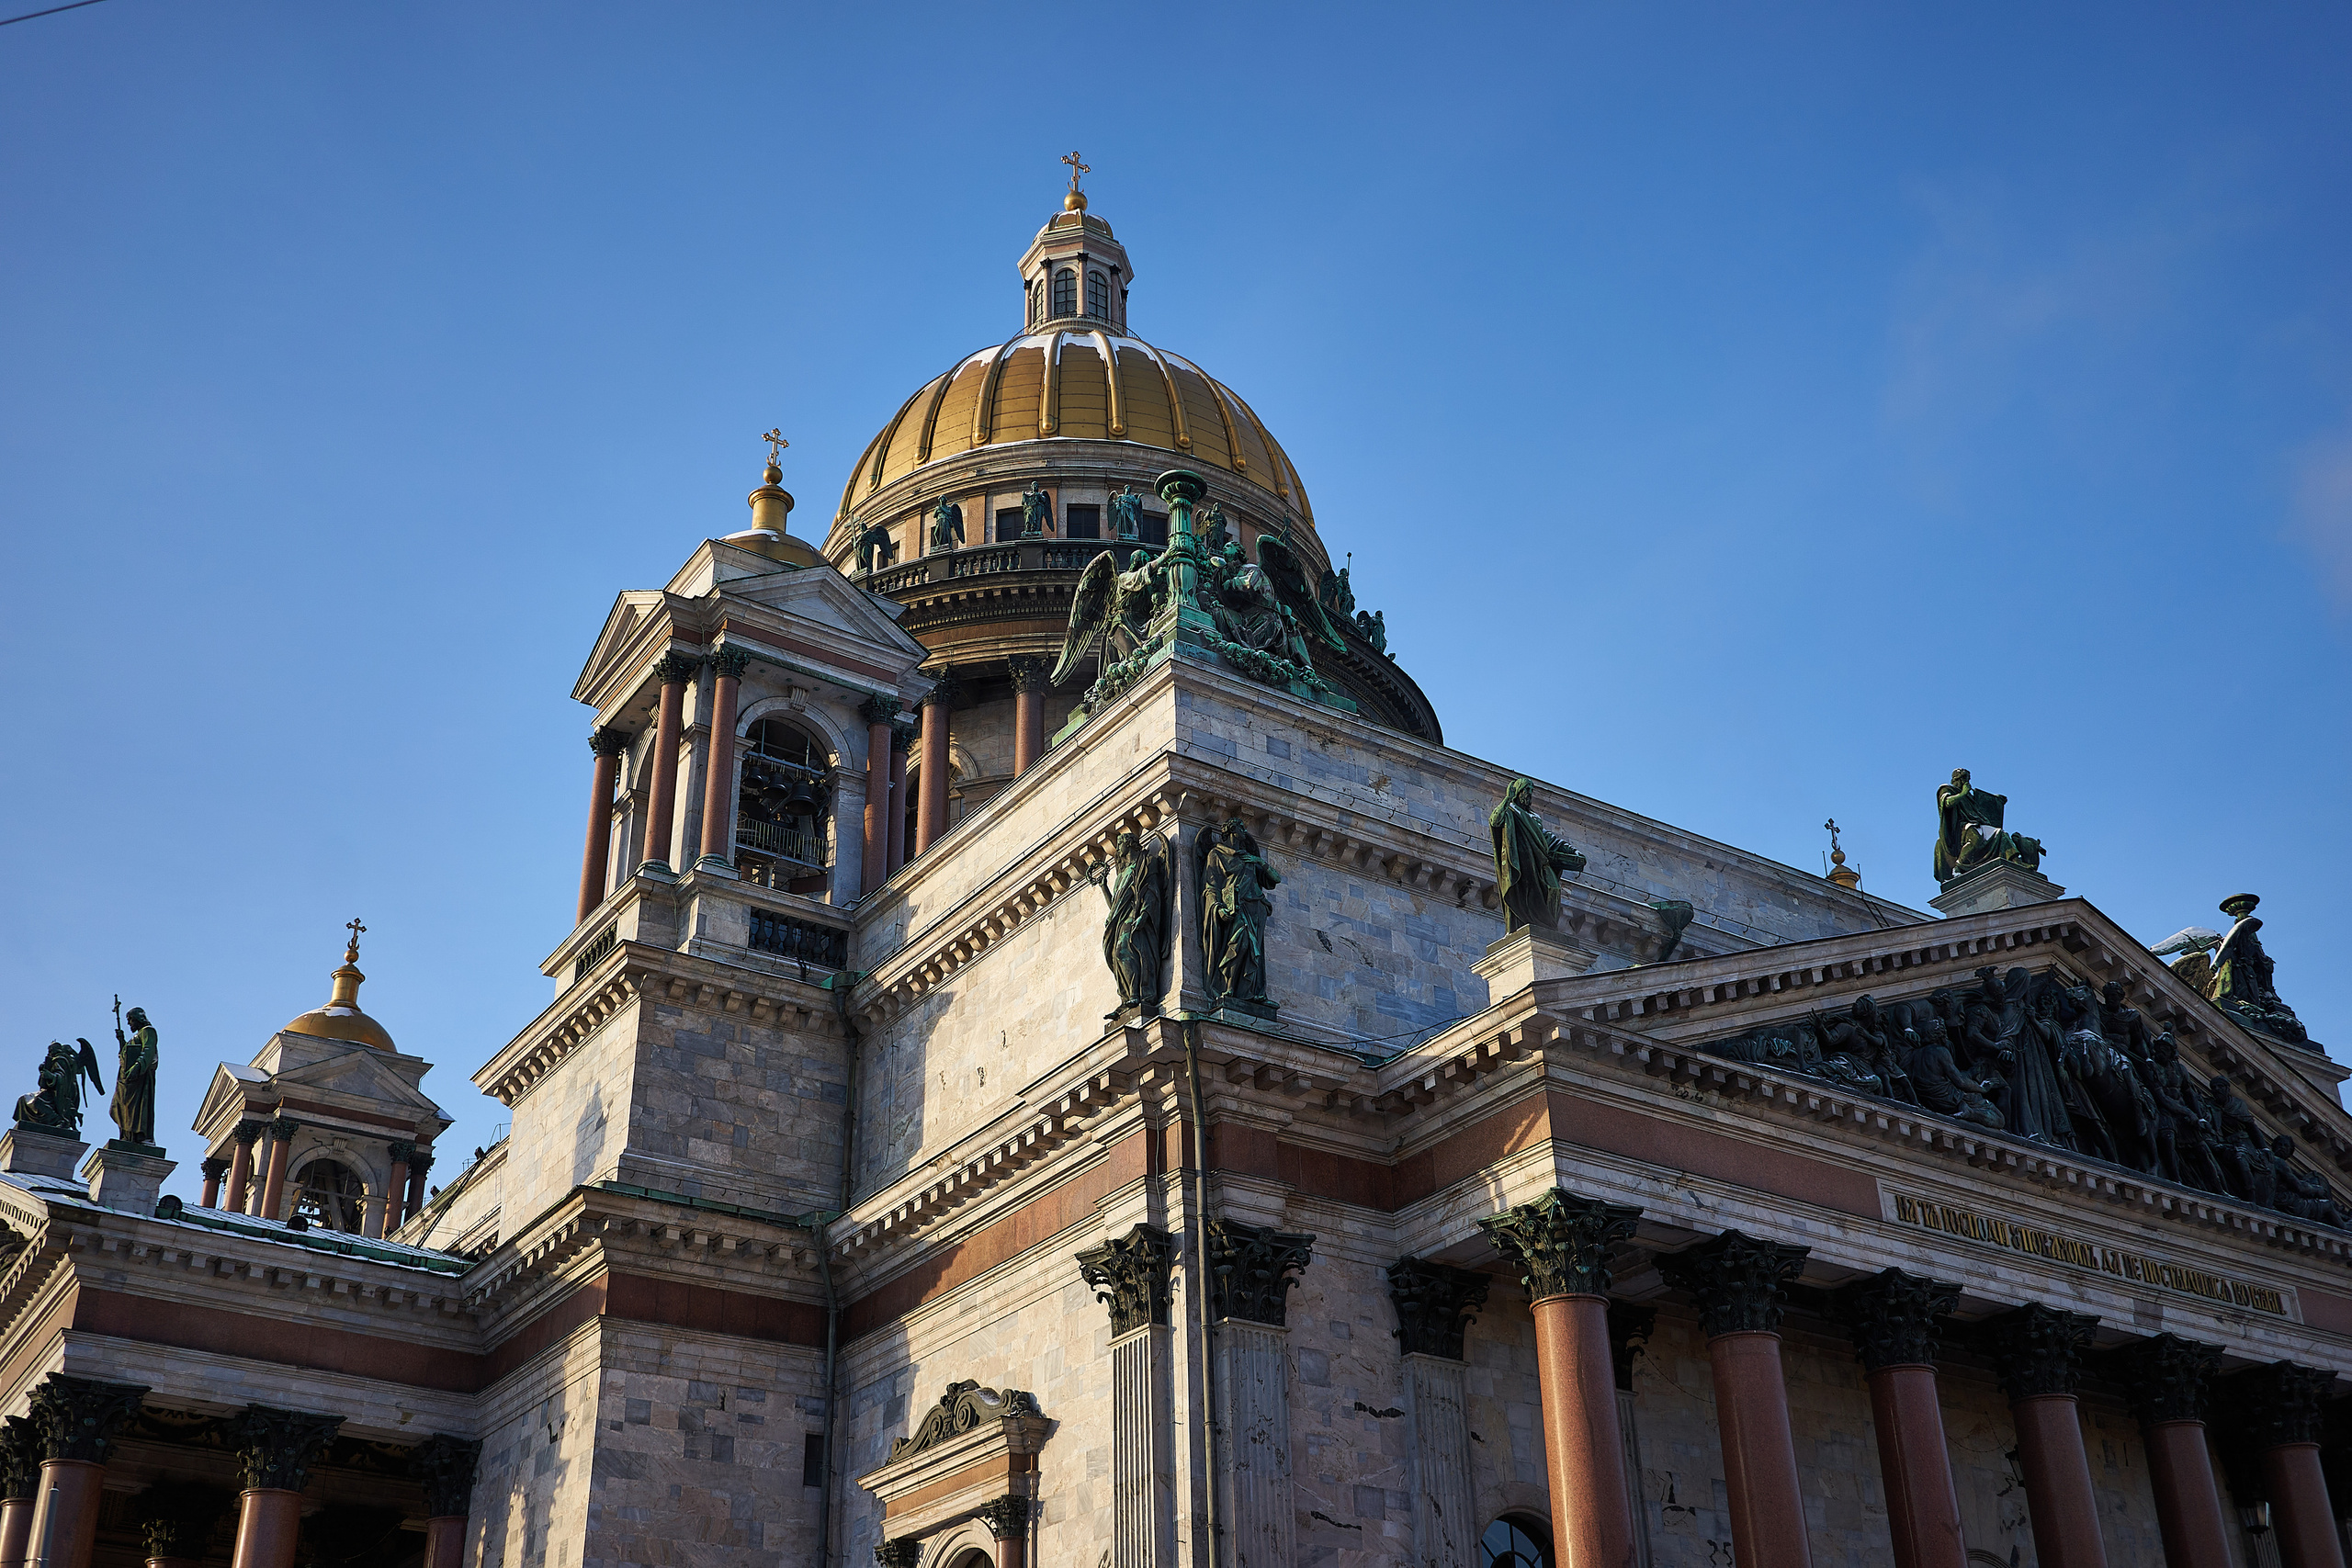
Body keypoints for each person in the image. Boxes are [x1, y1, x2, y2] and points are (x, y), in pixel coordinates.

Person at [1487, 778, 1586, 933]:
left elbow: (1547, 839)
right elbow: (1495, 821)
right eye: (1527, 790)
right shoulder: (1511, 812)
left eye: (1531, 791)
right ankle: (1526, 925)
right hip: (1521, 864)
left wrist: (1572, 852)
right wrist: (1507, 799)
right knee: (1525, 895)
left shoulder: (1534, 817)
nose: (1530, 794)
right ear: (1518, 792)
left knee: (1553, 888)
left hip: (1540, 863)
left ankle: (1546, 928)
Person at [1199, 818, 1280, 1007]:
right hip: (1236, 907)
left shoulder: (1249, 857)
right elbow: (1211, 887)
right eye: (1240, 827)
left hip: (1256, 908)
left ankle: (1251, 992)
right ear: (1230, 831)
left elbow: (1276, 879)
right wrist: (1218, 908)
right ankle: (1228, 988)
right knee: (1239, 943)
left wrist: (1259, 861)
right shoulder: (1216, 854)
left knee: (1255, 950)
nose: (1245, 829)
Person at [110, 1006, 158, 1147]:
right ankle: (127, 1136)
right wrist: (122, 1041)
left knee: (138, 1109)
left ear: (138, 1019)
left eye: (130, 1020)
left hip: (139, 1079)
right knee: (118, 1108)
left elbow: (148, 1052)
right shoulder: (136, 1036)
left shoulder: (148, 1031)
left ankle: (140, 1137)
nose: (129, 1023)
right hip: (126, 1081)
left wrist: (137, 1068)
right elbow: (126, 1055)